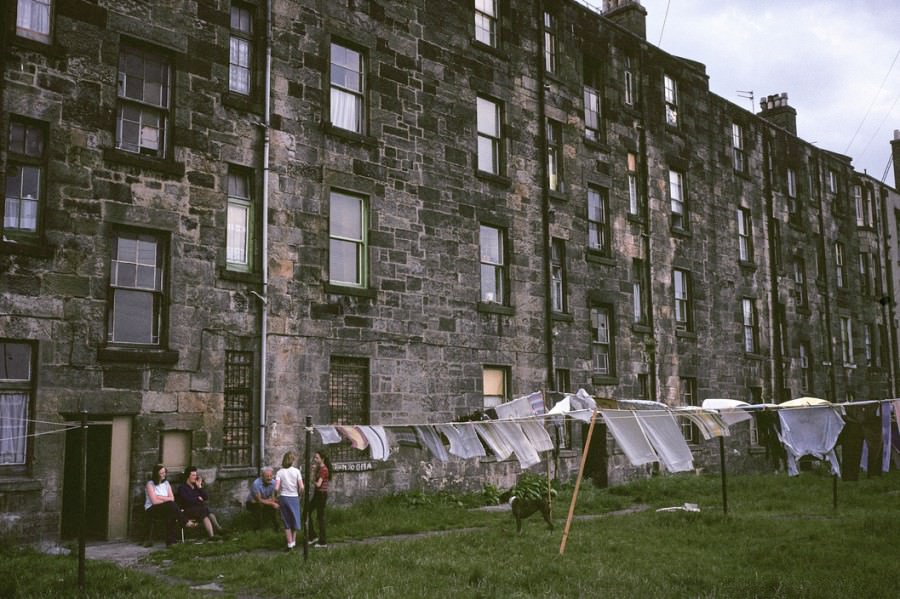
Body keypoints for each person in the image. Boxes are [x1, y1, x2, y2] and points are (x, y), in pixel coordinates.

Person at [145, 464, 196, 546]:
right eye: (161, 473)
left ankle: (170, 542)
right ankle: (185, 521)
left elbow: (172, 498)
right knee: (171, 506)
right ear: (156, 474)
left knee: (171, 512)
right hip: (152, 509)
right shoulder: (150, 484)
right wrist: (166, 499)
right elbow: (154, 501)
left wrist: (159, 497)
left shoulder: (166, 483)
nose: (164, 474)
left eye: (164, 472)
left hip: (166, 508)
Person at [176, 466, 225, 541]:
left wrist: (199, 487)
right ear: (188, 476)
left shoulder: (196, 486)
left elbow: (205, 497)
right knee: (204, 510)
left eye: (196, 475)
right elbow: (187, 500)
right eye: (193, 475)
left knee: (206, 511)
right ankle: (213, 535)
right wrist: (198, 498)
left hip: (198, 510)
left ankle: (218, 530)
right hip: (187, 510)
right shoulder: (182, 488)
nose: (195, 477)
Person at [275, 451, 304, 551]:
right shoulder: (296, 471)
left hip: (283, 497)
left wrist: (276, 496)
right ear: (293, 460)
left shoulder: (279, 472)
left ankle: (289, 544)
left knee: (286, 522)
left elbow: (276, 488)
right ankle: (293, 542)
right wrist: (300, 495)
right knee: (294, 521)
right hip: (294, 497)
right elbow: (302, 487)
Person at [307, 450, 331, 548]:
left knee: (320, 518)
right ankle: (313, 536)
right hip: (318, 494)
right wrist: (314, 469)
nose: (315, 459)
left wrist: (312, 479)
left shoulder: (324, 470)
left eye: (317, 458)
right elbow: (315, 468)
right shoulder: (319, 468)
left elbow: (318, 484)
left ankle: (323, 541)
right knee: (307, 512)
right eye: (315, 457)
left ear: (322, 459)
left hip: (321, 495)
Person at [247, 466, 281, 532]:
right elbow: (259, 500)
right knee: (259, 506)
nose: (269, 478)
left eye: (270, 476)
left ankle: (277, 527)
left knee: (275, 506)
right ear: (262, 476)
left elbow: (273, 497)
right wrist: (271, 503)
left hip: (265, 500)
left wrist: (273, 502)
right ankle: (257, 529)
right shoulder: (256, 483)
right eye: (267, 476)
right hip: (252, 503)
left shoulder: (274, 483)